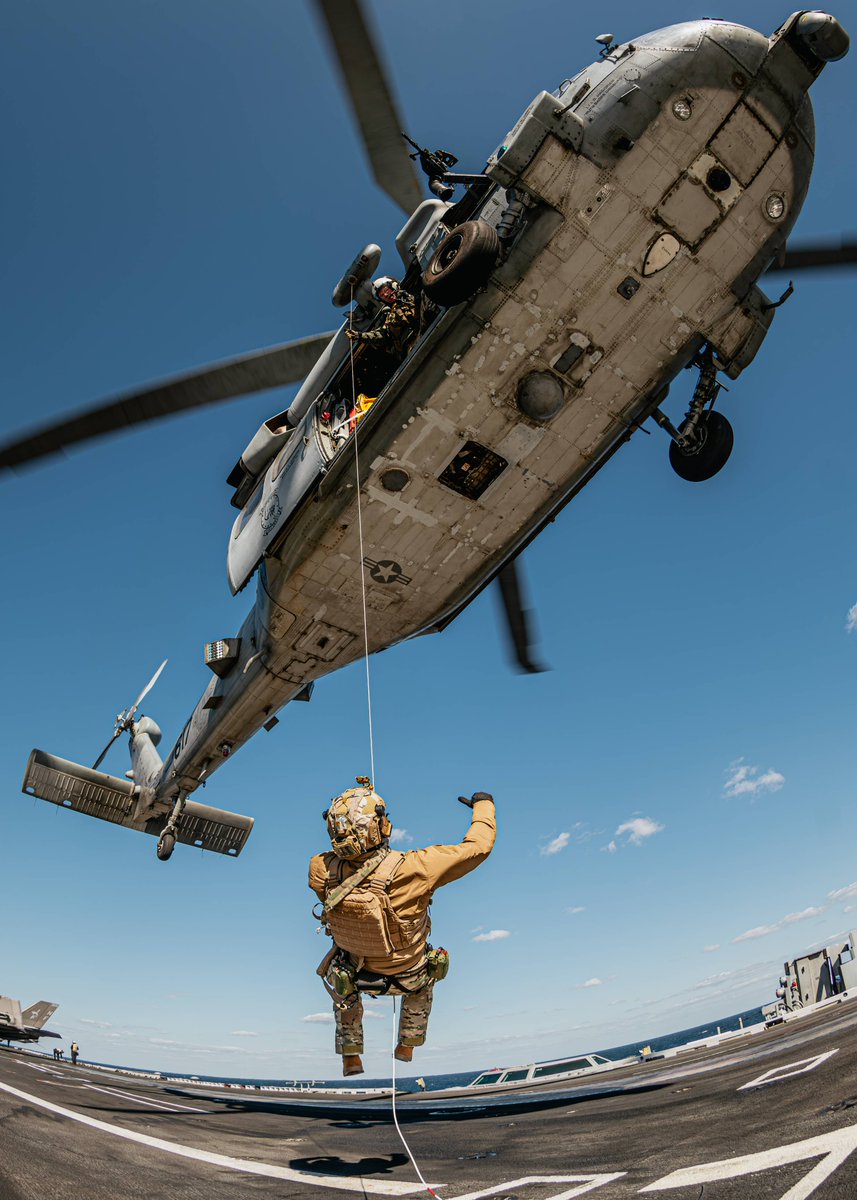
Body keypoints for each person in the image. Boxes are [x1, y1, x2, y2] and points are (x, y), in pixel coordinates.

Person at [309, 780, 495, 1077]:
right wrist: (483, 804)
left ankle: (351, 1056)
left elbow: (329, 872)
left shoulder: (319, 868)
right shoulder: (415, 867)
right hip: (409, 974)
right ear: (379, 826)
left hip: (357, 975)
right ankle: (407, 1045)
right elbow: (478, 848)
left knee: (341, 981)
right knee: (427, 977)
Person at [345, 278, 419, 360]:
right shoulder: (390, 317)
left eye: (386, 291)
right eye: (382, 296)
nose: (386, 295)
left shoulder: (413, 295)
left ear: (393, 287)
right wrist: (359, 336)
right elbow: (381, 335)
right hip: (412, 344)